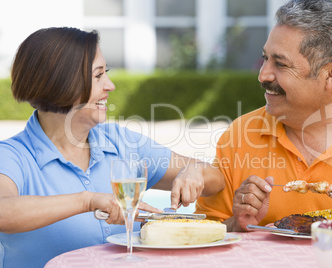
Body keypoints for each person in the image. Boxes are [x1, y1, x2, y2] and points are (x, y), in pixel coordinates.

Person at [0, 27, 224, 268]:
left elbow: (216, 180)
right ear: (61, 81)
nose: (110, 85)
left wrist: (194, 171)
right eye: (98, 76)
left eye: (105, 73)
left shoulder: (121, 142)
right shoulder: (13, 155)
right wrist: (88, 201)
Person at [195, 0, 332, 232]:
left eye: (281, 64)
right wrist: (237, 223)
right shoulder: (240, 135)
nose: (263, 75)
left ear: (331, 74)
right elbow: (204, 234)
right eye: (265, 58)